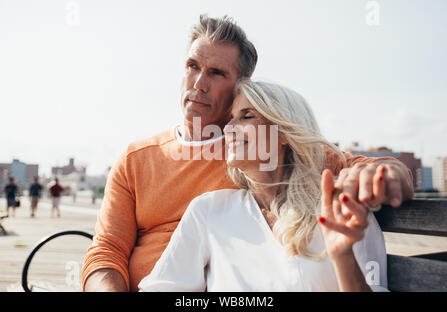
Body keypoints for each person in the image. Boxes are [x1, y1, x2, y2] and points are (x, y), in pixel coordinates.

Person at [82, 15, 413, 292]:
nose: (198, 83)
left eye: (216, 73)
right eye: (192, 65)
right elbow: (106, 251)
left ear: (241, 86)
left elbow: (356, 166)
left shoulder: (260, 143)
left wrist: (387, 173)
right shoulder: (136, 158)